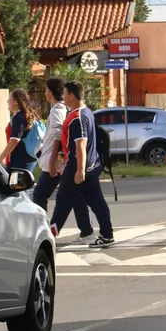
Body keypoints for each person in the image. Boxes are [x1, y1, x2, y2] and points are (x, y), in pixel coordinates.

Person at [49, 81, 116, 248]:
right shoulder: (86, 112)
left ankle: (49, 237)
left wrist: (79, 170)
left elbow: (81, 144)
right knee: (96, 202)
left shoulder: (77, 117)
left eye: (64, 93)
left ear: (71, 95)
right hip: (91, 166)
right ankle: (106, 235)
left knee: (62, 201)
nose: (62, 96)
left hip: (77, 167)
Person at [32, 78, 94, 243]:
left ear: (51, 92)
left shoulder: (56, 110)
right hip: (61, 162)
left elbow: (58, 136)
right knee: (73, 196)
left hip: (56, 163)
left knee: (40, 194)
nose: (45, 93)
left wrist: (52, 161)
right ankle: (85, 230)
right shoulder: (61, 109)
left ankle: (43, 229)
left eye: (46, 89)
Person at [0, 89, 40, 173]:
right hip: (27, 159)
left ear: (16, 101)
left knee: (9, 181)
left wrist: (0, 158)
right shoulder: (25, 115)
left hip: (20, 161)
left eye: (9, 99)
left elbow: (14, 141)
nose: (7, 101)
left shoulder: (19, 117)